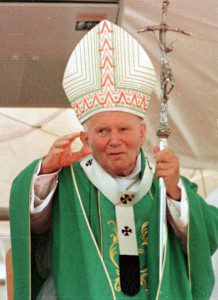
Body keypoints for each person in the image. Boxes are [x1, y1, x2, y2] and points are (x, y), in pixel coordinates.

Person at [10, 20, 217, 300]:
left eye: (124, 129)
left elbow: (207, 235)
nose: (114, 140)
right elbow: (34, 226)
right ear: (86, 139)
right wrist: (46, 171)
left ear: (142, 133)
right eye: (102, 131)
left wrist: (175, 193)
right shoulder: (67, 179)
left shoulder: (163, 178)